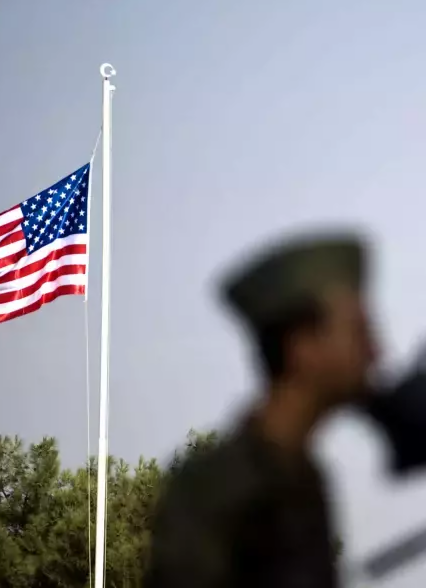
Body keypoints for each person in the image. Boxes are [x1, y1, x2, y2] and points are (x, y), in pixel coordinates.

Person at [144, 231, 379, 588]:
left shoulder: (305, 479)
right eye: (359, 333)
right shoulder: (215, 488)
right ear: (303, 347)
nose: (377, 352)